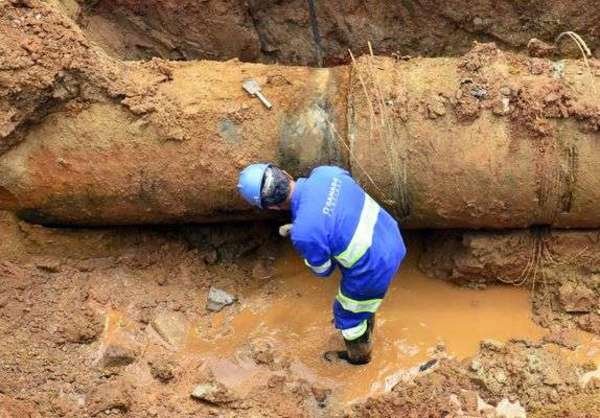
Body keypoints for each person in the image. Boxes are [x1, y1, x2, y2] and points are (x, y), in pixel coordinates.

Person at [237, 164, 406, 365]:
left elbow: (324, 271)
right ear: (285, 173)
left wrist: (305, 240)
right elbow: (336, 209)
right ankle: (366, 312)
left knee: (347, 314)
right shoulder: (326, 173)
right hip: (390, 235)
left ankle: (360, 358)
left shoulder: (305, 234)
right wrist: (309, 230)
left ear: (271, 207)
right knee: (361, 302)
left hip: (374, 266)